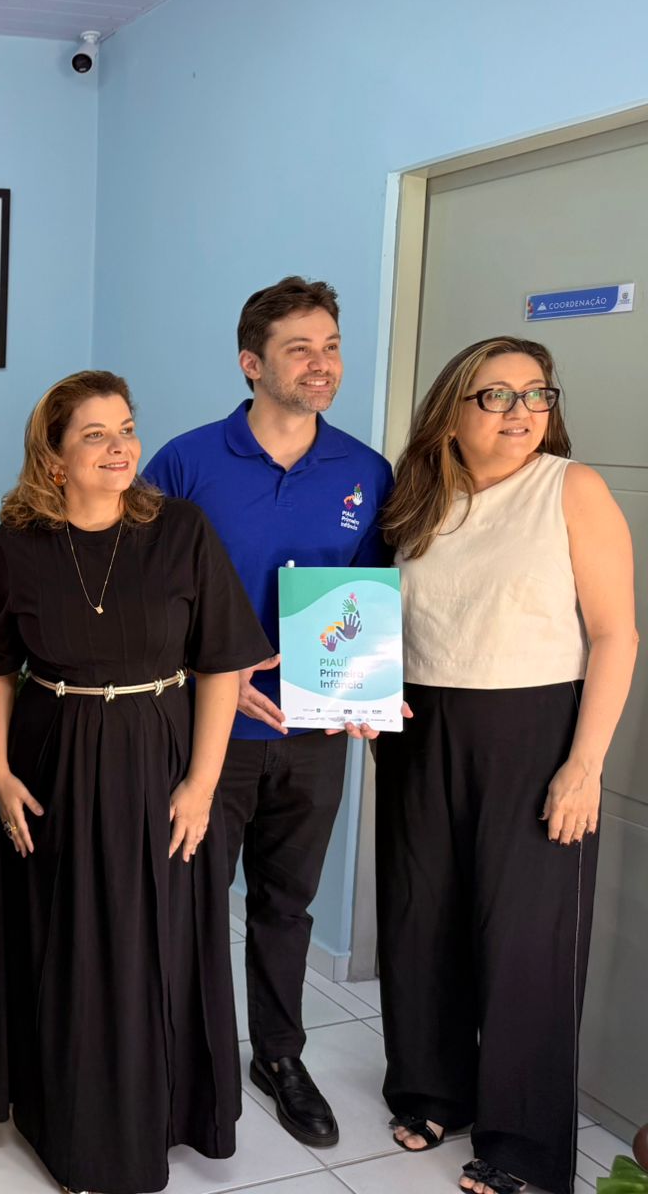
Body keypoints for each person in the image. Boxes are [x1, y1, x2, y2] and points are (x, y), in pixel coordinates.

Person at [0, 370, 271, 1194]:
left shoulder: (181, 529)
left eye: (127, 429)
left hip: (160, 757)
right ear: (54, 456)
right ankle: (72, 1124)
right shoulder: (16, 543)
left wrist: (203, 784)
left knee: (161, 939)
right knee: (67, 943)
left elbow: (221, 665)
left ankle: (166, 1116)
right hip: (54, 761)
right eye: (95, 434)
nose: (121, 447)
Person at [374, 337, 637, 1194]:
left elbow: (616, 634)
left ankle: (523, 1143)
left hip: (537, 731)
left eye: (537, 393)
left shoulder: (571, 488)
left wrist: (584, 765)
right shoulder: (416, 498)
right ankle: (430, 1090)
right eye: (497, 394)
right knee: (422, 916)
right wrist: (362, 698)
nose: (523, 411)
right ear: (452, 411)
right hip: (423, 727)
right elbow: (391, 621)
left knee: (527, 941)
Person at [143, 276, 395, 1148]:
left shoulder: (365, 471)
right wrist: (204, 672)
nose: (322, 365)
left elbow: (369, 596)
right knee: (191, 899)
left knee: (287, 905)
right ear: (252, 363)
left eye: (331, 347)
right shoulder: (184, 464)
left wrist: (366, 685)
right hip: (209, 734)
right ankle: (181, 1061)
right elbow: (141, 592)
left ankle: (279, 1057)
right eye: (300, 349)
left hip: (315, 733)